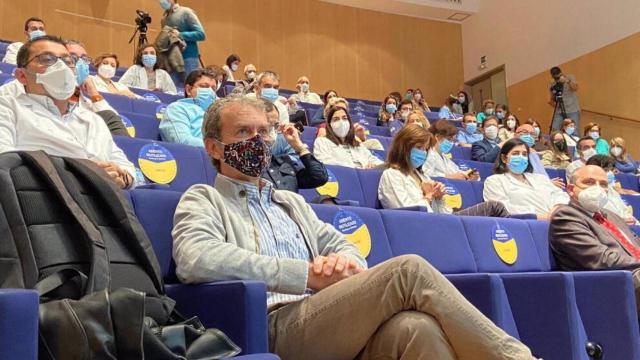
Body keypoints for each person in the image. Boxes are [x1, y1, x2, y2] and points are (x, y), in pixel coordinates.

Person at [173, 96, 537, 360]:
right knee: (407, 270)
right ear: (215, 148)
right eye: (243, 133)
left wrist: (342, 264)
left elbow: (344, 245)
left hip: (325, 316)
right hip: (267, 325)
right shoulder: (203, 198)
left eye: (263, 132)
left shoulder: (290, 202)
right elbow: (196, 257)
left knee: (416, 329)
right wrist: (304, 275)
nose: (258, 141)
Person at [0, 35, 134, 189]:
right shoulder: (8, 107)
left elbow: (126, 167)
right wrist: (85, 173)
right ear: (22, 76)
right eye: (47, 59)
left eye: (68, 61)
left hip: (101, 203)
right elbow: (5, 161)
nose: (61, 67)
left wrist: (122, 177)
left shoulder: (92, 120)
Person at [549, 165, 640, 311]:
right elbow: (601, 258)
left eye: (603, 184)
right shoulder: (566, 216)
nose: (597, 188)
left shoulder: (610, 215)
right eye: (589, 182)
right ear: (571, 189)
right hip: (608, 286)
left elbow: (636, 244)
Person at [379, 125, 510, 217]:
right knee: (494, 207)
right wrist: (429, 196)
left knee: (495, 209)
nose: (423, 153)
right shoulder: (392, 175)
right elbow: (406, 214)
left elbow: (445, 211)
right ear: (403, 147)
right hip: (426, 227)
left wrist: (439, 197)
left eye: (425, 149)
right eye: (419, 147)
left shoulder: (421, 175)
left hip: (445, 219)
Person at [484, 139, 569, 219]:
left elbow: (560, 195)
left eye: (524, 154)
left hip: (557, 220)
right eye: (515, 153)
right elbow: (500, 208)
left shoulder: (540, 178)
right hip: (526, 224)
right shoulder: (494, 181)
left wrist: (556, 209)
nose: (521, 157)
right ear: (504, 158)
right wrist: (539, 216)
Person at [261, 100, 328, 193]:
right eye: (264, 128)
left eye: (275, 126)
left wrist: (299, 146)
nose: (271, 133)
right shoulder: (241, 165)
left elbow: (319, 177)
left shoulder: (283, 162)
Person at [159, 69, 217, 146]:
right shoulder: (177, 108)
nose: (210, 91)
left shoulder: (216, 113)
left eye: (213, 89)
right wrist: (219, 149)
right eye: (204, 86)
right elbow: (182, 141)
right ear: (188, 90)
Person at [313, 106, 383, 169]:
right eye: (336, 119)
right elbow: (324, 163)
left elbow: (373, 159)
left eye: (344, 118)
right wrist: (359, 168)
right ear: (329, 124)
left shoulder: (357, 144)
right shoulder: (321, 142)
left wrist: (374, 165)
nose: (341, 122)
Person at [160, 0, 206, 84]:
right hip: (171, 60)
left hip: (188, 59)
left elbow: (201, 34)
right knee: (173, 92)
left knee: (190, 88)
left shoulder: (186, 12)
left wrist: (180, 35)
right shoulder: (164, 18)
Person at [585, 155, 638, 224]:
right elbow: (598, 219)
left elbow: (624, 210)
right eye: (606, 170)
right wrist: (621, 222)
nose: (610, 173)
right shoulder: (592, 193)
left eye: (611, 170)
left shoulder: (610, 189)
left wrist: (631, 218)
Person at [549, 66, 580, 130]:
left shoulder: (570, 77)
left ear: (561, 73)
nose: (557, 78)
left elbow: (575, 88)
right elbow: (552, 100)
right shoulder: (553, 84)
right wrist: (555, 104)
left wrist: (567, 81)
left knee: (574, 131)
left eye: (558, 76)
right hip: (559, 112)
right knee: (555, 129)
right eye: (555, 77)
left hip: (572, 110)